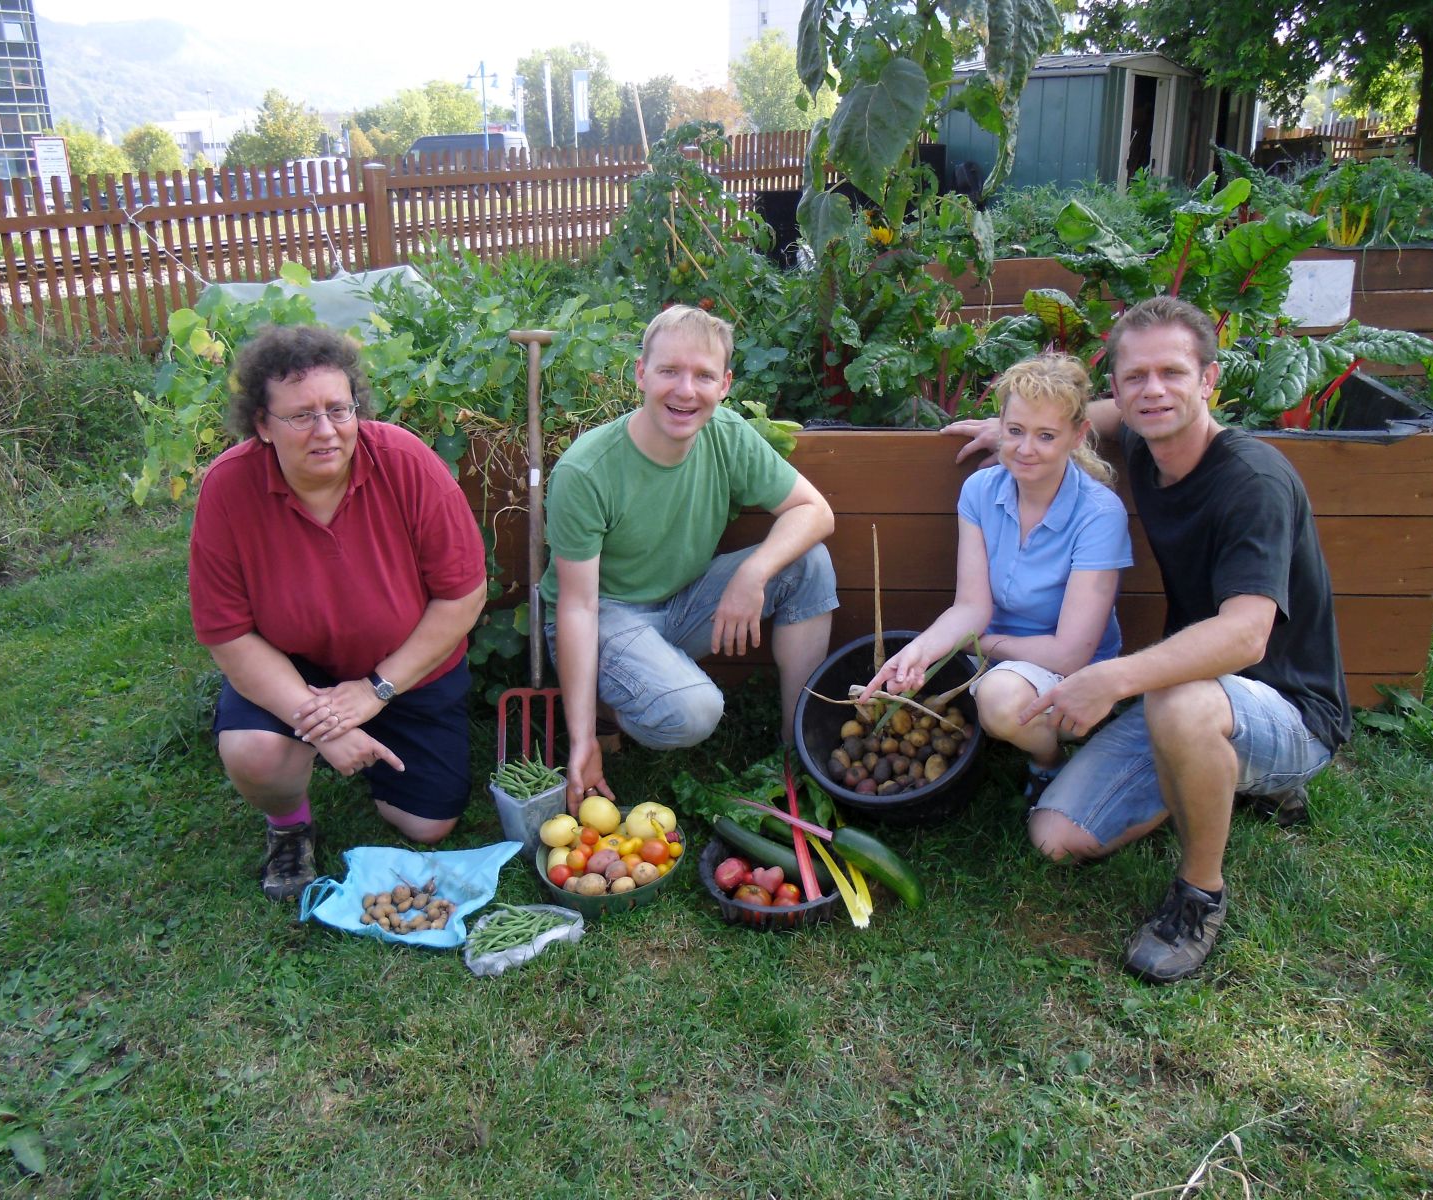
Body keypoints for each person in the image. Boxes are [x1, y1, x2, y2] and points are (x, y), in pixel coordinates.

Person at [947, 296, 1351, 983]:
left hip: (1286, 708)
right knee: (1055, 838)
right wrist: (1012, 426)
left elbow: (1247, 636)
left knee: (1177, 703)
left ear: (1209, 381)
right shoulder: (1146, 436)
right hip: (1185, 692)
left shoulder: (1252, 483)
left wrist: (1115, 677)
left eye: (1172, 372)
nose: (1152, 390)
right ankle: (1212, 779)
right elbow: (1092, 417)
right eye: (1135, 377)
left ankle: (1198, 896)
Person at [188, 325, 487, 901]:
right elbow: (228, 634)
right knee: (256, 752)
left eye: (338, 409)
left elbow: (463, 595)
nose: (325, 431)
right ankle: (289, 824)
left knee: (429, 825)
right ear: (262, 425)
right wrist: (317, 718)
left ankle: (366, 742)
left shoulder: (405, 462)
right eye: (301, 416)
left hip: (405, 669)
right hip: (294, 669)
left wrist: (375, 691)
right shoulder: (229, 489)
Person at [540, 305, 838, 810]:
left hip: (683, 601)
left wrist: (754, 571)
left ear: (724, 385)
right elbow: (576, 608)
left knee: (807, 563)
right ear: (640, 373)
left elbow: (815, 511)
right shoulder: (586, 471)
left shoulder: (728, 433)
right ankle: (614, 707)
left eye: (703, 375)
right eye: (669, 371)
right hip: (604, 616)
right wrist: (582, 739)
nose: (685, 391)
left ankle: (796, 750)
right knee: (695, 711)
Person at [861, 354, 1132, 804]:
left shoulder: (1099, 515)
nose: (1026, 449)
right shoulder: (982, 490)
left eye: (1046, 436)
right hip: (995, 647)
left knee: (998, 698)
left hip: (1065, 667)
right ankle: (997, 717)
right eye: (1015, 431)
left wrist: (974, 644)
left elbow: (1070, 652)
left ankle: (1047, 764)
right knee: (934, 673)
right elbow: (971, 606)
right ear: (1000, 424)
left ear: (1077, 436)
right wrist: (917, 652)